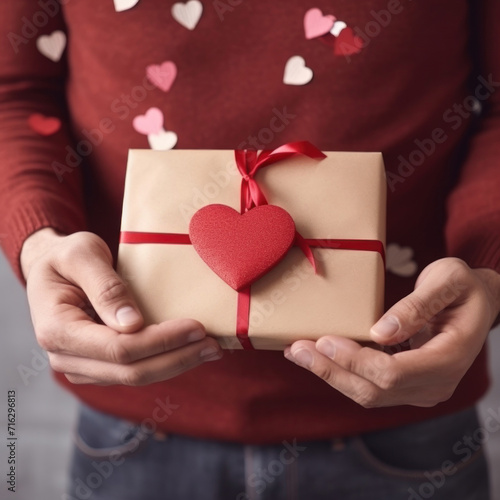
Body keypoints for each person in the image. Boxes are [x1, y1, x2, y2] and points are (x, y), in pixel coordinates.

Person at [1, 1, 499, 498]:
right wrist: (40, 241)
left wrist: (488, 269)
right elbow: (14, 93)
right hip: (132, 422)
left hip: (408, 411)